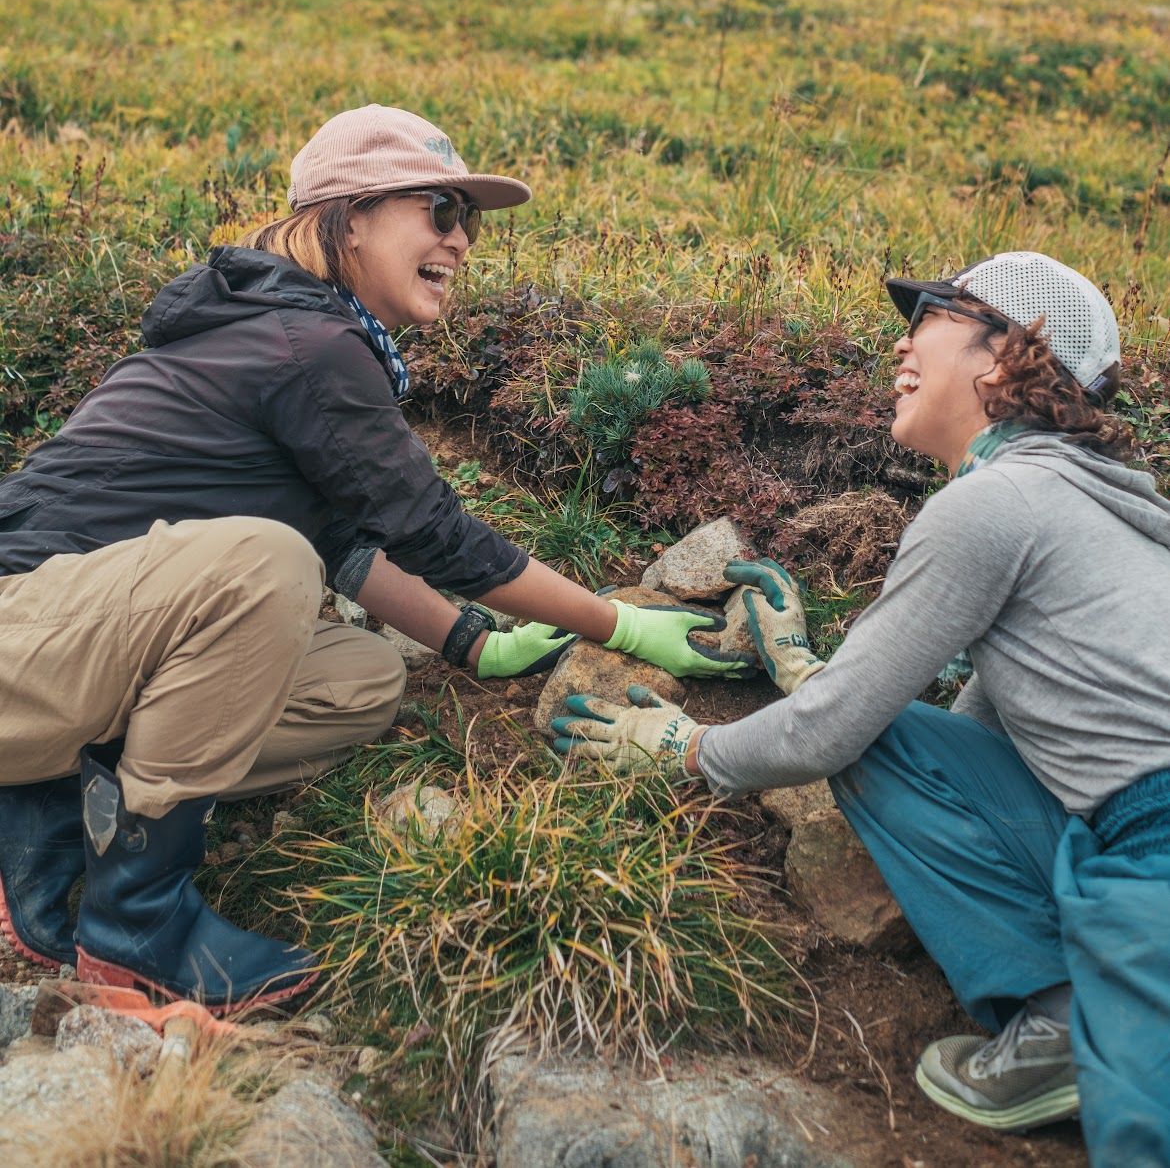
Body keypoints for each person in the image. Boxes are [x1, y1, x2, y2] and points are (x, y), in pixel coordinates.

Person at [0, 104, 752, 1014]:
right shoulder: (307, 343)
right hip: (21, 632)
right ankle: (136, 927)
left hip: (67, 649)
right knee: (263, 568)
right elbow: (435, 534)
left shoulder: (290, 326)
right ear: (348, 219)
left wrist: (475, 644)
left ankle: (55, 793)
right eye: (438, 208)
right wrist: (626, 622)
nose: (463, 239)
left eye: (469, 219)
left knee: (359, 678)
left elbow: (347, 543)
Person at [555, 251, 1170, 1167]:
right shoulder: (1081, 505)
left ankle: (1077, 1029)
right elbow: (949, 738)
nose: (901, 337)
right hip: (1122, 825)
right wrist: (810, 674)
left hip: (1153, 850)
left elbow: (840, 727)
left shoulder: (995, 505)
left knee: (1143, 1130)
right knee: (893, 742)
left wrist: (688, 747)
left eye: (928, 313)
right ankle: (1061, 1025)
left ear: (1002, 357)